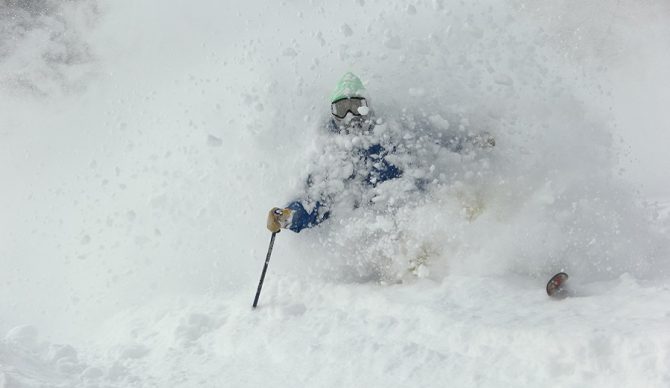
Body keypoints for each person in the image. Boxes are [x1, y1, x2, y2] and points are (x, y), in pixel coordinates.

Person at [266, 72, 494, 235]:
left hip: (417, 204)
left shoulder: (392, 129)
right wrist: (288, 216)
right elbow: (316, 200)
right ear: (332, 114)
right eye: (341, 110)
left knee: (460, 200)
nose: (350, 117)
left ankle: (480, 230)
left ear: (368, 107)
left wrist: (471, 141)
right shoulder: (331, 154)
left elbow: (434, 138)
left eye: (356, 107)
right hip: (378, 224)